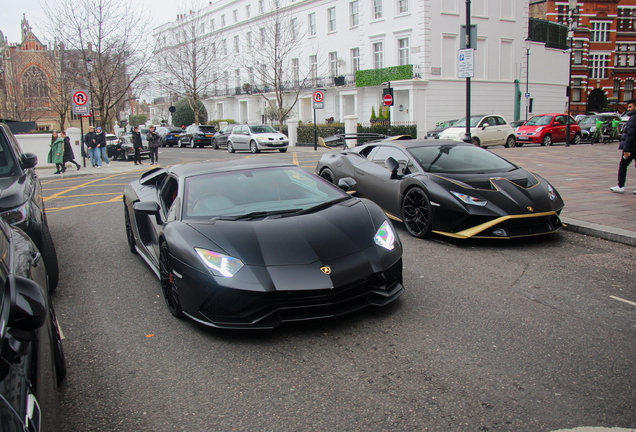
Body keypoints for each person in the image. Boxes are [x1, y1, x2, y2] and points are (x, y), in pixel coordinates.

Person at [611, 99, 636, 194]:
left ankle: (620, 186)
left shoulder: (633, 118)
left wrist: (627, 149)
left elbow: (631, 135)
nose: (628, 109)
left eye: (630, 107)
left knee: (623, 165)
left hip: (632, 147)